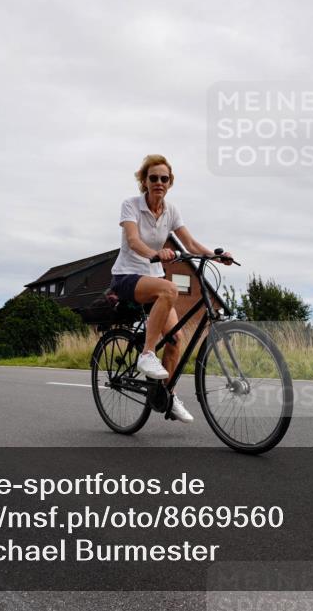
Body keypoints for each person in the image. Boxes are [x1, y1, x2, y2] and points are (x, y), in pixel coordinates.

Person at [109, 154, 232, 424]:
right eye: (153, 177)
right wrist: (154, 253)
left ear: (170, 182)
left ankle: (167, 395)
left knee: (176, 339)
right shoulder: (130, 205)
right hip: (127, 276)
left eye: (164, 178)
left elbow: (190, 244)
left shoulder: (171, 211)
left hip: (153, 278)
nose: (159, 182)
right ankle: (147, 354)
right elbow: (133, 240)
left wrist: (215, 256)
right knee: (170, 289)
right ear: (144, 181)